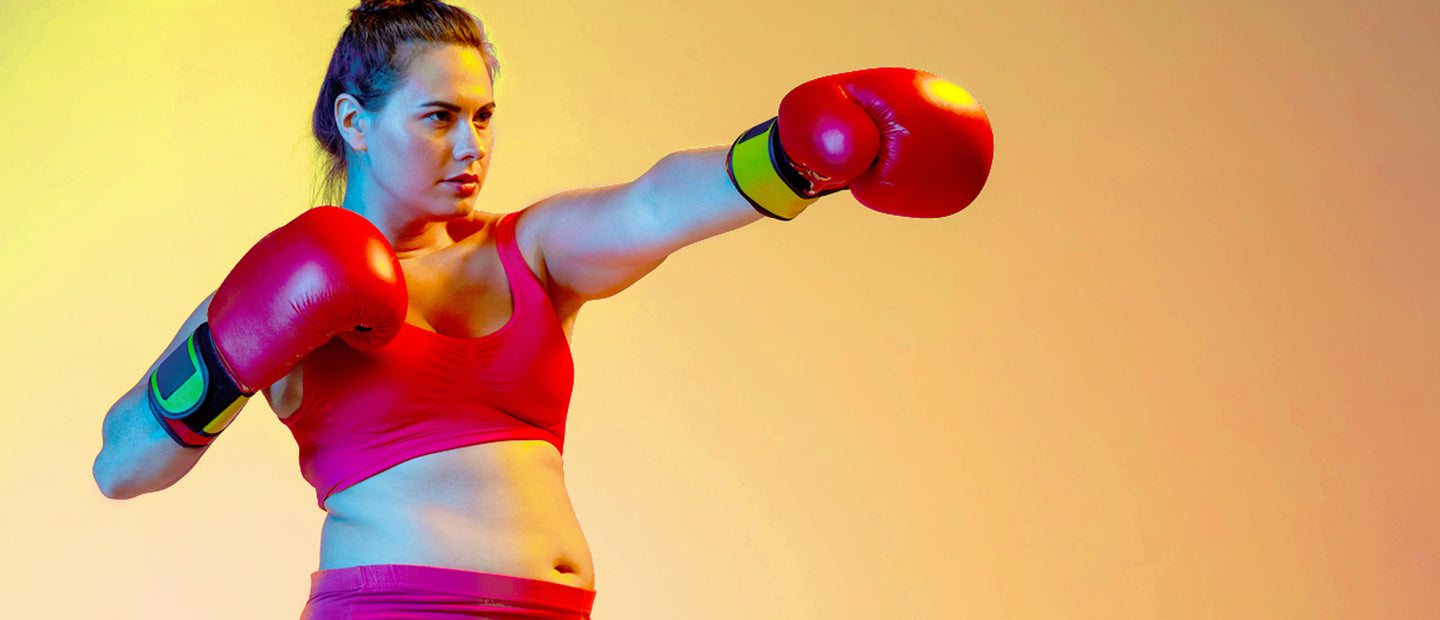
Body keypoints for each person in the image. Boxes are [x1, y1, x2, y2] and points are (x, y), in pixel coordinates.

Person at [91, 0, 993, 617]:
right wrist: (231, 347)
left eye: (484, 117)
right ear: (356, 123)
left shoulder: (529, 251)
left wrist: (793, 158)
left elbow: (651, 206)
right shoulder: (284, 280)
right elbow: (121, 465)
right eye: (439, 117)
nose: (470, 146)